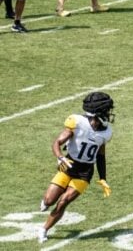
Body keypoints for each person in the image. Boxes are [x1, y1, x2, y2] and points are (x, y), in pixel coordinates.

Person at [38, 92, 115, 243]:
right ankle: (47, 203)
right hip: (68, 164)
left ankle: (43, 229)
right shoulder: (77, 122)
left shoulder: (106, 132)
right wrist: (60, 157)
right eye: (106, 110)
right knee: (49, 200)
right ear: (98, 113)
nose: (108, 113)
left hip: (85, 172)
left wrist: (103, 178)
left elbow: (100, 156)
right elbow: (56, 143)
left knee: (64, 201)